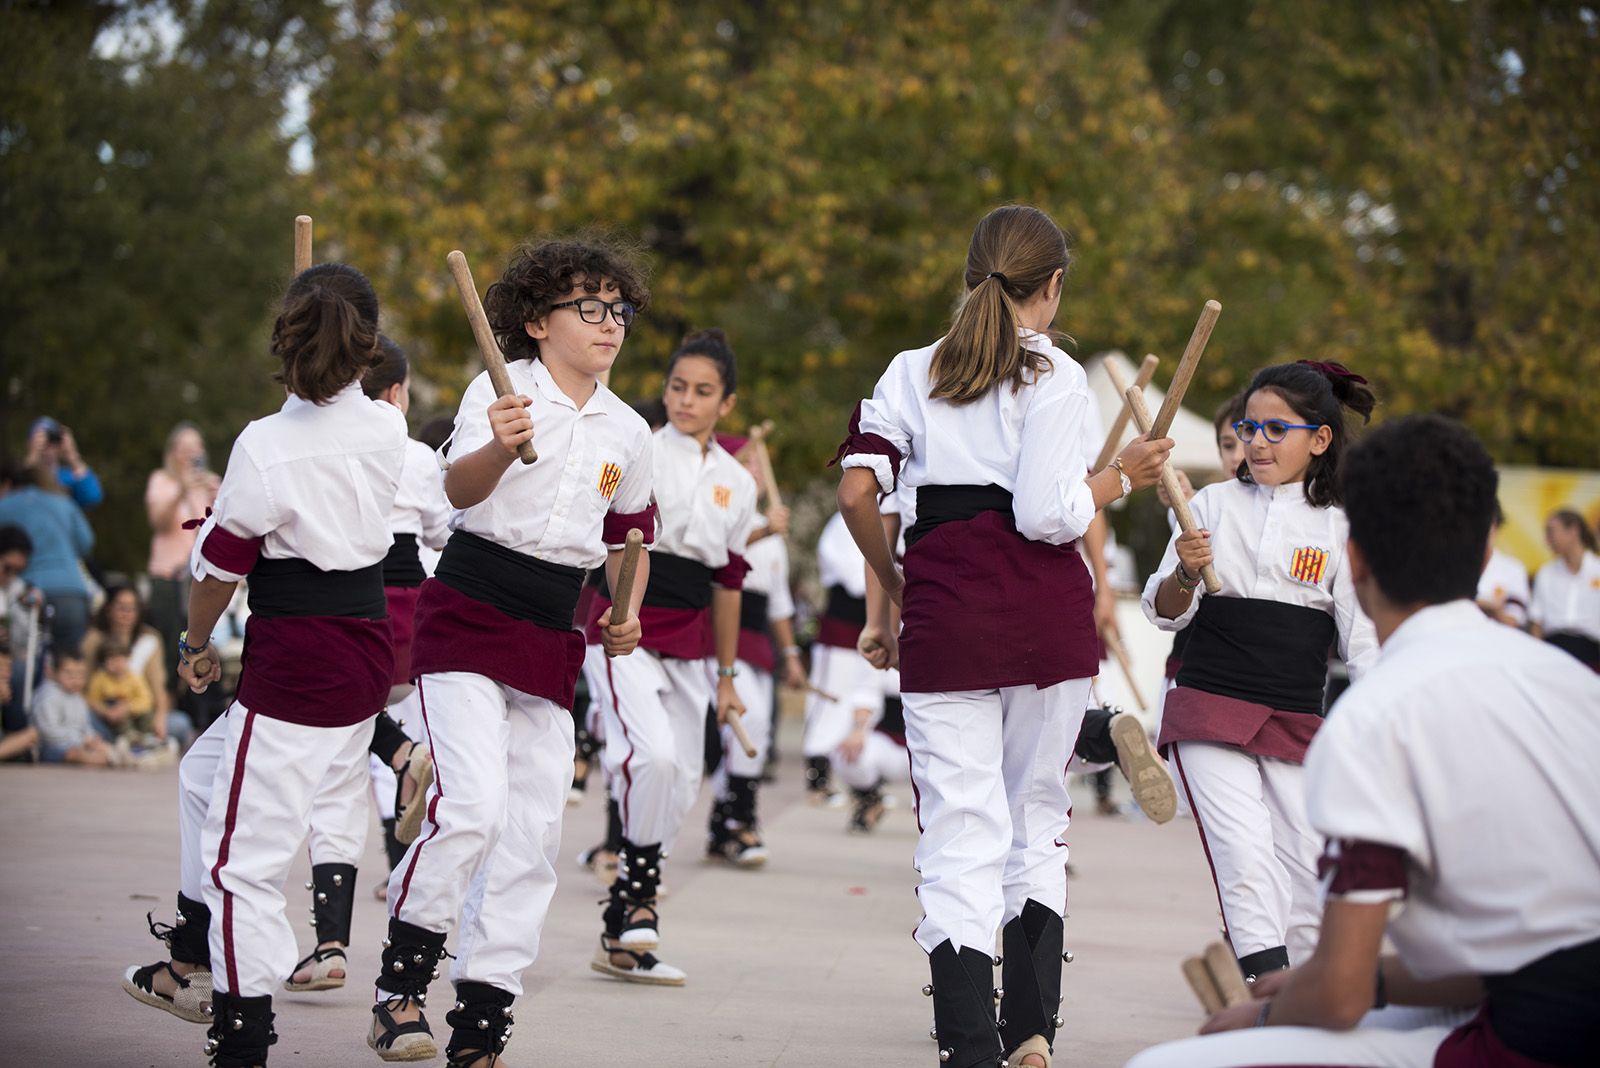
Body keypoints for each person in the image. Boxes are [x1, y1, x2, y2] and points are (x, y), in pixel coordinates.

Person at [1125, 414, 1600, 1068]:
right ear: (1488, 554)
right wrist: (1376, 983)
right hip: (1535, 992)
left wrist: (1260, 1017)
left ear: (1353, 560)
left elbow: (1339, 995)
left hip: (1527, 1039)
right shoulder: (1575, 685)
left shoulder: (1372, 719)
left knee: (1168, 1064)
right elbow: (1543, 951)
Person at [835, 204, 1171, 1068]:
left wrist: (894, 584)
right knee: (1035, 818)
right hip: (1042, 614)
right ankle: (1031, 1029)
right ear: (1053, 287)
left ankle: (970, 1047)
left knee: (959, 831)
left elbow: (855, 496)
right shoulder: (1053, 374)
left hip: (947, 610)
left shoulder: (911, 369)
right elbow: (1049, 514)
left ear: (970, 275)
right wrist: (1120, 479)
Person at [368, 237, 656, 1065]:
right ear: (536, 321)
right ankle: (399, 992)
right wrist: (498, 442)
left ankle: (482, 1025)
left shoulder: (628, 431)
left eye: (619, 309)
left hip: (552, 629)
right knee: (472, 808)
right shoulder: (499, 391)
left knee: (532, 832)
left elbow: (628, 534)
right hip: (466, 609)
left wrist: (625, 609)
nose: (610, 324)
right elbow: (455, 492)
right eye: (589, 307)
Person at [125, 261, 409, 1068]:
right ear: (369, 351)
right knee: (199, 775)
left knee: (241, 867)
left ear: (285, 342)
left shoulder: (265, 444)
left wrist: (193, 644)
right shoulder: (385, 429)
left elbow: (220, 568)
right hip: (363, 652)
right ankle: (189, 953)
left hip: (297, 666)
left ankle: (238, 1034)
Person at [1141, 361, 1378, 983]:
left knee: (1306, 868)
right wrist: (1186, 573)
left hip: (1296, 714)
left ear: (1319, 439)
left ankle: (1305, 1000)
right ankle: (1265, 990)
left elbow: (1364, 644)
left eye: (1278, 429)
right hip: (1209, 705)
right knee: (1244, 857)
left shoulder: (1342, 528)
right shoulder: (1212, 505)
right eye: (1250, 427)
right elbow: (1165, 615)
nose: (1257, 442)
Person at [581, 327, 756, 988]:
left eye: (702, 391)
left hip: (691, 642)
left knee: (682, 778)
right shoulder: (639, 447)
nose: (686, 400)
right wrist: (617, 610)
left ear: (726, 404)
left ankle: (623, 927)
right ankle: (639, 904)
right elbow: (613, 542)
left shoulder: (737, 482)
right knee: (650, 757)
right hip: (625, 624)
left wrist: (728, 678)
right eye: (678, 386)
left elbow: (729, 583)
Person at [704, 431, 804, 867]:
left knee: (757, 732)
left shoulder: (773, 533)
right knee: (746, 724)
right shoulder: (719, 509)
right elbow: (716, 554)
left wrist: (792, 656)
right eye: (747, 462)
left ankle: (727, 821)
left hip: (758, 639)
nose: (756, 472)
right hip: (720, 634)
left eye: (759, 465)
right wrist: (763, 531)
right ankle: (741, 820)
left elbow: (779, 603)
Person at [146, 422, 222, 697]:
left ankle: (198, 706)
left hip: (200, 579)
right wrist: (182, 488)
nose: (192, 454)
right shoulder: (162, 481)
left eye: (197, 447)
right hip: (168, 578)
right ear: (173, 453)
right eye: (185, 448)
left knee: (202, 643)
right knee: (169, 646)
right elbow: (159, 522)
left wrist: (217, 495)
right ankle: (167, 704)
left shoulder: (210, 483)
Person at [0, 459, 95, 653]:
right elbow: (86, 543)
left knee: (28, 658)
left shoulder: (7, 504)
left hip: (29, 590)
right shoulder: (64, 503)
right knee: (68, 664)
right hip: (71, 591)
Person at [82, 585, 191, 746]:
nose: (126, 614)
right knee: (84, 720)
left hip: (140, 714)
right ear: (109, 609)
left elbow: (158, 688)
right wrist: (106, 712)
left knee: (181, 724)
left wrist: (159, 718)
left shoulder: (150, 639)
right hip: (103, 713)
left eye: (132, 609)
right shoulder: (94, 639)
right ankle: (130, 742)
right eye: (121, 608)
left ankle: (133, 741)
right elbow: (82, 688)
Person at [1528, 508, 1600, 670]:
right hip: (1553, 649)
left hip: (1591, 652)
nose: (1547, 540)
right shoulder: (1546, 573)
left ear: (1573, 531)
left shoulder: (1597, 569)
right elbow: (1536, 623)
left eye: (1551, 532)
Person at [30, 649, 120, 765]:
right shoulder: (48, 695)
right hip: (49, 746)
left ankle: (109, 756)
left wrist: (91, 738)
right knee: (74, 753)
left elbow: (84, 725)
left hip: (76, 743)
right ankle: (98, 758)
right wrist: (82, 740)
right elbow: (48, 732)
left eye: (81, 674)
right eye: (69, 674)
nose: (76, 679)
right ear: (54, 672)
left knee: (102, 746)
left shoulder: (77, 697)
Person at [25, 416, 102, 509]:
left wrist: (72, 456)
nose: (48, 445)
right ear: (29, 443)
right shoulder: (20, 474)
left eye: (52, 440)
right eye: (41, 439)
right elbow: (15, 498)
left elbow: (92, 497)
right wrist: (33, 457)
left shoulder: (70, 477)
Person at [1475, 502, 1531, 629]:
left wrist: (1493, 611)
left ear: (1496, 526)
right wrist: (1485, 605)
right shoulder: (1451, 564)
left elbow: (1513, 621)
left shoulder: (1513, 569)